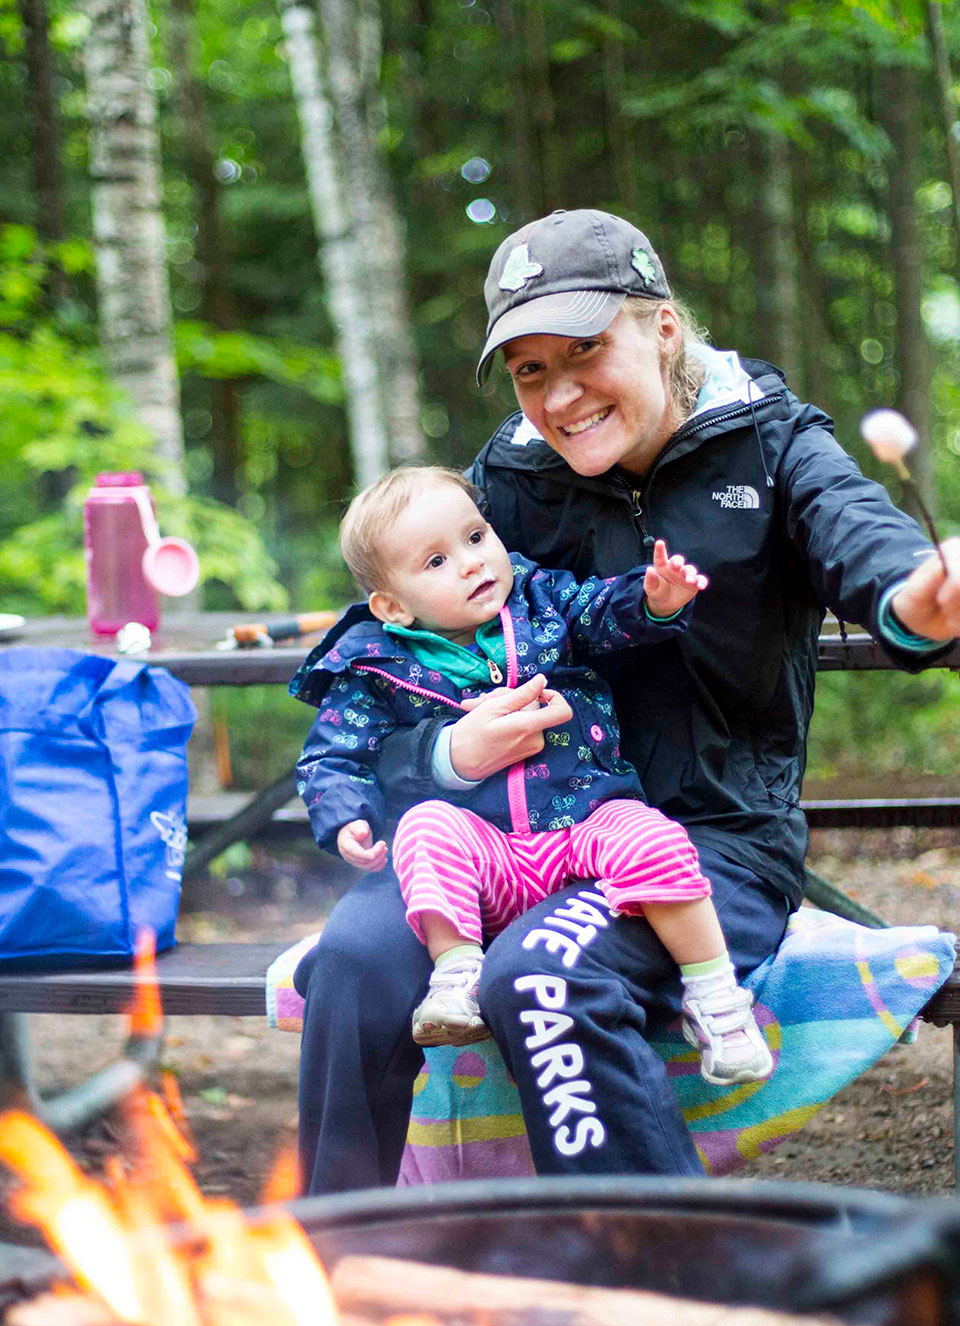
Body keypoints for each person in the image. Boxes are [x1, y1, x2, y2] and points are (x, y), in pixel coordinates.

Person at [293, 207, 960, 1195]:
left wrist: (915, 595)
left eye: (584, 350)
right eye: (529, 368)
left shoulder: (772, 447)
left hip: (705, 840)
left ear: (662, 327)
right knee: (351, 958)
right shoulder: (506, 484)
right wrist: (446, 757)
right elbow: (377, 684)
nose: (559, 396)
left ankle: (658, 1272)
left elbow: (862, 536)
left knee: (541, 976)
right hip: (504, 834)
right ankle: (328, 1264)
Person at [291, 464, 773, 1087]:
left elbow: (600, 610)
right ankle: (458, 976)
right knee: (424, 825)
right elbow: (332, 756)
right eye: (435, 563)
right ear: (392, 606)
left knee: (654, 838)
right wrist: (346, 815)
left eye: (474, 537)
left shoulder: (540, 599)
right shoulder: (375, 665)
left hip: (585, 822)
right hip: (485, 853)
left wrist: (651, 599)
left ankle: (716, 998)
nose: (471, 563)